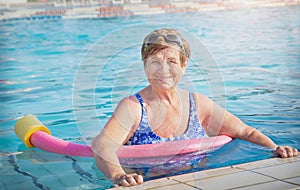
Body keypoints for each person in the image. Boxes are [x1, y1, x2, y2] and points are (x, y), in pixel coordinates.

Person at [91, 28, 298, 187]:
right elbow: (102, 146)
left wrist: (275, 148)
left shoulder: (198, 105)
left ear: (184, 64)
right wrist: (119, 175)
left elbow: (245, 131)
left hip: (198, 180)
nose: (163, 70)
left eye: (171, 61)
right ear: (144, 64)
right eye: (154, 61)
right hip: (148, 184)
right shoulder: (133, 108)